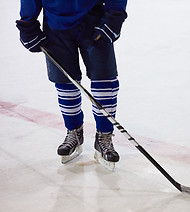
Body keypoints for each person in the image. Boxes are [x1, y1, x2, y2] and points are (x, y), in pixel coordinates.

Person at [16, 0, 128, 166]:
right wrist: (27, 22)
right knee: (66, 83)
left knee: (105, 81)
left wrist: (114, 16)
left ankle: (104, 134)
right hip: (56, 27)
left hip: (94, 21)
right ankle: (74, 131)